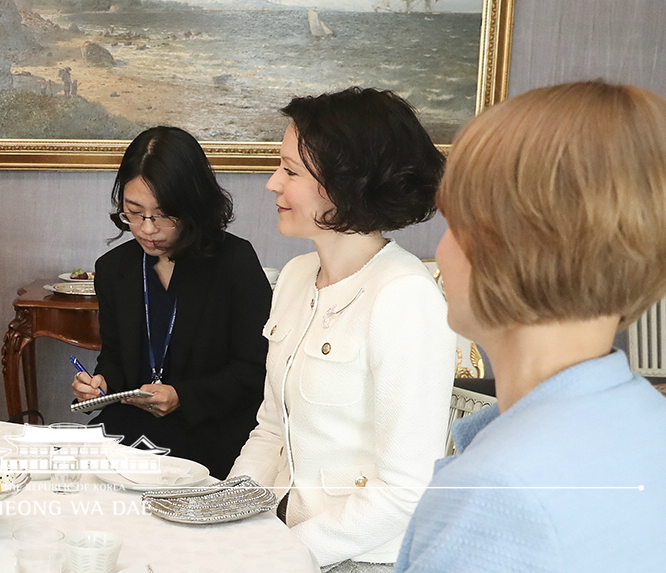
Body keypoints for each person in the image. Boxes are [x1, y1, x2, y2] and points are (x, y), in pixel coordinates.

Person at [395, 82, 666, 573]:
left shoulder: (496, 494)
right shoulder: (650, 423)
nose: (443, 251)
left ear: (506, 247)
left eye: (454, 222)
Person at [229, 88, 457, 571]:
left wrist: (281, 554)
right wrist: (228, 520)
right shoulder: (293, 278)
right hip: (287, 539)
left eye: (291, 171)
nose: (273, 183)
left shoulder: (404, 296)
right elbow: (271, 430)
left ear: (346, 184)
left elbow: (406, 490)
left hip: (362, 556)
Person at [71, 126, 272, 480]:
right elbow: (116, 359)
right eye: (134, 212)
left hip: (210, 432)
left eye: (163, 215)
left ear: (194, 205)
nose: (147, 229)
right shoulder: (115, 268)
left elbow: (256, 370)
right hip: (134, 427)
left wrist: (182, 396)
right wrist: (100, 383)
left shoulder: (234, 262)